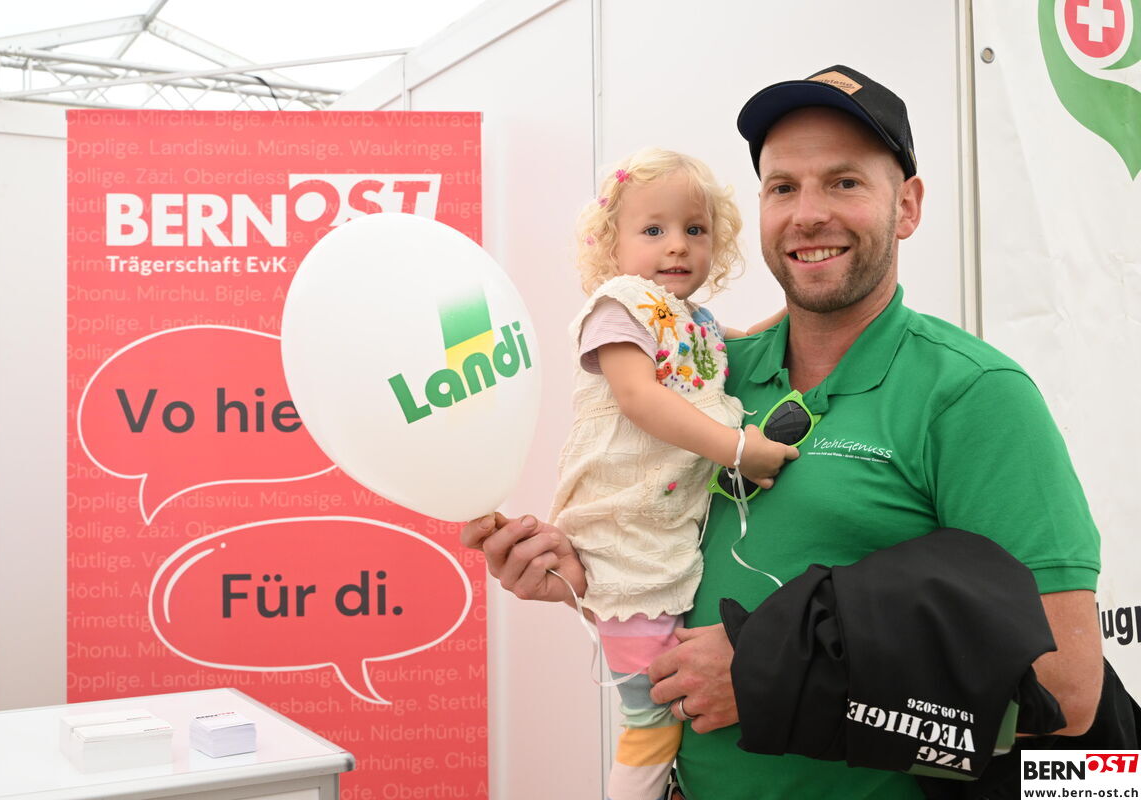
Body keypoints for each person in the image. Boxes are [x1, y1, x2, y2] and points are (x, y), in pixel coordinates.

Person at [464, 65, 1102, 800]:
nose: (808, 214)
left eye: (845, 183)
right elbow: (673, 550)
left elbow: (1065, 692)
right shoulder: (707, 375)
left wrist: (775, 671)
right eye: (783, 187)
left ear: (907, 206)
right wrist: (589, 576)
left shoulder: (974, 394)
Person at [548, 147, 796, 800]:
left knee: (672, 707)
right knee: (651, 715)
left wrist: (801, 309)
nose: (677, 245)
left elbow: (741, 344)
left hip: (664, 535)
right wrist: (737, 449)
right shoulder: (618, 307)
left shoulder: (697, 323)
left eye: (695, 229)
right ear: (612, 244)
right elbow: (639, 397)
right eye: (653, 229)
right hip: (623, 537)